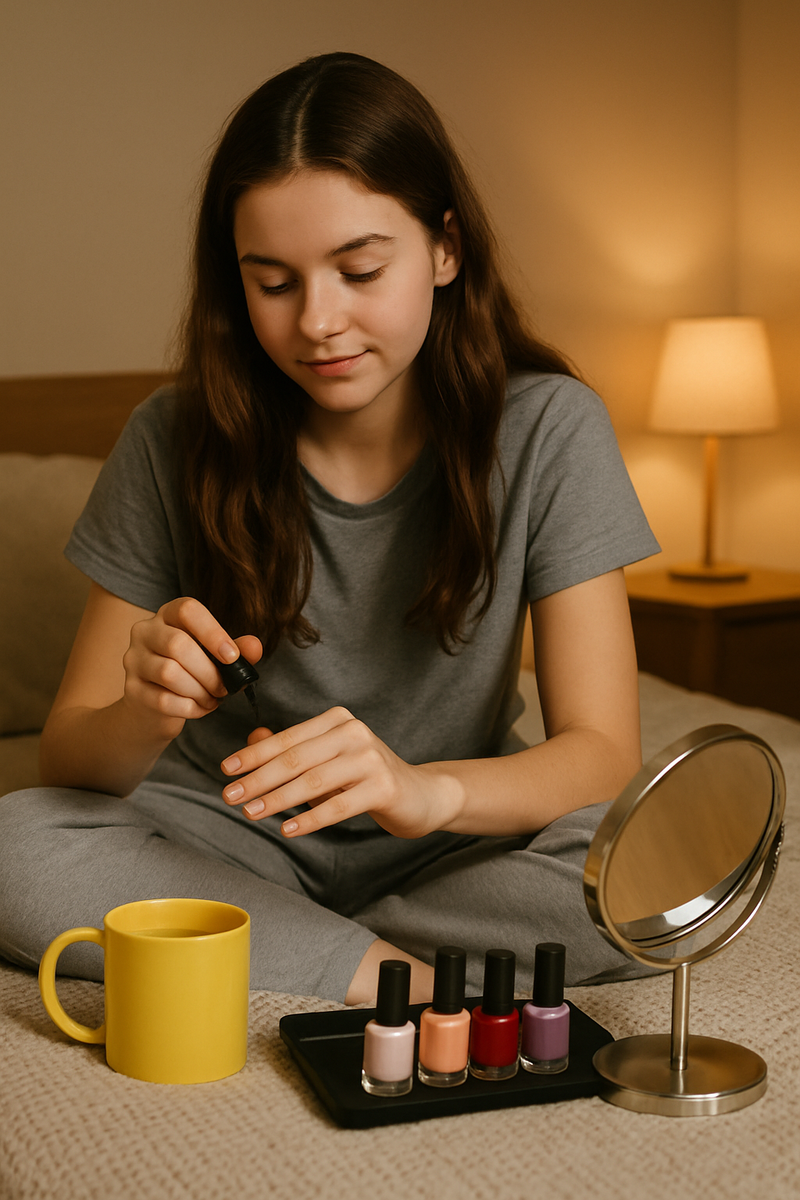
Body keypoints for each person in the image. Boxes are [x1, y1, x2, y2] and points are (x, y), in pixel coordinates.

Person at [0, 52, 659, 1003]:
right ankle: (381, 973)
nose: (319, 321)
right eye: (273, 283)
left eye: (358, 270)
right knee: (18, 843)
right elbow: (71, 757)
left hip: (448, 844)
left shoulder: (551, 426)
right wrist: (143, 713)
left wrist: (425, 792)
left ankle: (267, 947)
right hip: (231, 839)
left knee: (653, 865)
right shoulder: (170, 437)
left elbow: (602, 752)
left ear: (445, 248)